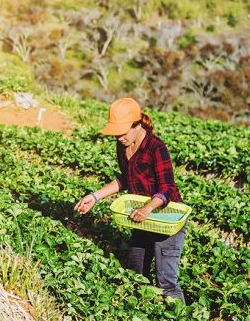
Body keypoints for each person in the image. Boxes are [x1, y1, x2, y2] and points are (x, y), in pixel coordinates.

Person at [74, 98, 186, 302]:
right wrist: (94, 197)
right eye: (116, 133)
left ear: (137, 125)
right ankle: (143, 312)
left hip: (166, 219)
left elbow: (168, 188)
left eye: (123, 132)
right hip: (142, 217)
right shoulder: (123, 146)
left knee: (166, 280)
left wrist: (148, 208)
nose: (119, 138)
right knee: (135, 273)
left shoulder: (156, 148)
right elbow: (125, 178)